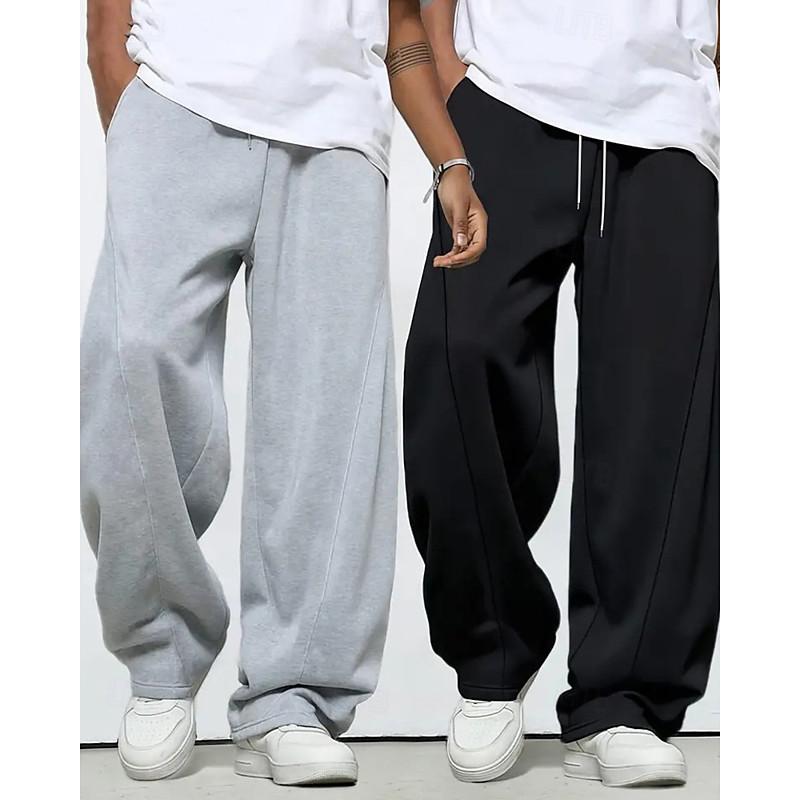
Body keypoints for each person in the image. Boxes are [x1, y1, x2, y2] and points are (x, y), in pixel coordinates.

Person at [81, 0, 486, 785]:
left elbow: (402, 24)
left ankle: (294, 696)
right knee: (131, 357)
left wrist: (450, 161)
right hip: (174, 100)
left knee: (326, 419)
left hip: (336, 132)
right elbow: (106, 21)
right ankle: (160, 661)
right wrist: (124, 112)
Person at [405, 0, 719, 787]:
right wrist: (452, 83)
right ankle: (492, 654)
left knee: (656, 417)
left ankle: (623, 700)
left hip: (668, 117)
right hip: (504, 93)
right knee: (458, 355)